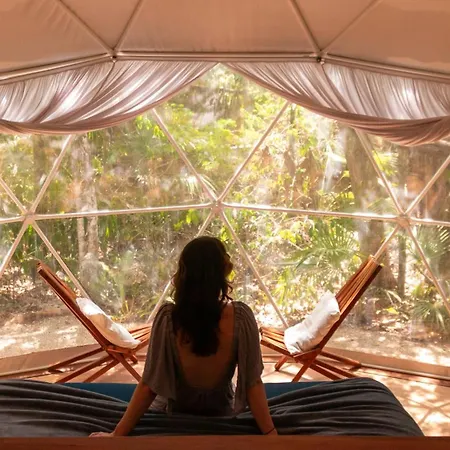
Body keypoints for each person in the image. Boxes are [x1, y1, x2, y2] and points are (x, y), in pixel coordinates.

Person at [91, 236, 277, 437]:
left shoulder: (168, 318)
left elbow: (149, 386)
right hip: (221, 417)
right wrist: (271, 434)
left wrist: (116, 435)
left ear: (183, 273)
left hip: (170, 418)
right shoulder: (241, 317)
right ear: (223, 271)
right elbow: (253, 384)